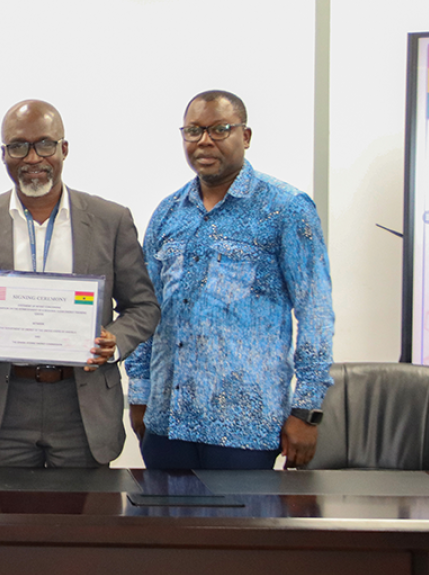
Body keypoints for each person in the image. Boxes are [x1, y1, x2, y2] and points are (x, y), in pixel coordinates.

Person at [0, 100, 160, 468]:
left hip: (81, 405)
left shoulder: (111, 220)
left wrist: (116, 341)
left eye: (44, 144)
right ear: (4, 154)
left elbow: (144, 306)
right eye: (17, 146)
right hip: (3, 405)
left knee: (82, 523)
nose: (31, 157)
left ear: (64, 149)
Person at [126, 89, 334, 470]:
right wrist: (139, 393)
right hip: (167, 421)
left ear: (246, 136)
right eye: (193, 131)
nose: (204, 141)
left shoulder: (286, 208)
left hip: (244, 425)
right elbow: (145, 309)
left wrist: (306, 410)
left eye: (220, 129)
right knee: (160, 530)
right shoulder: (168, 213)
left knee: (239, 529)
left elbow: (316, 312)